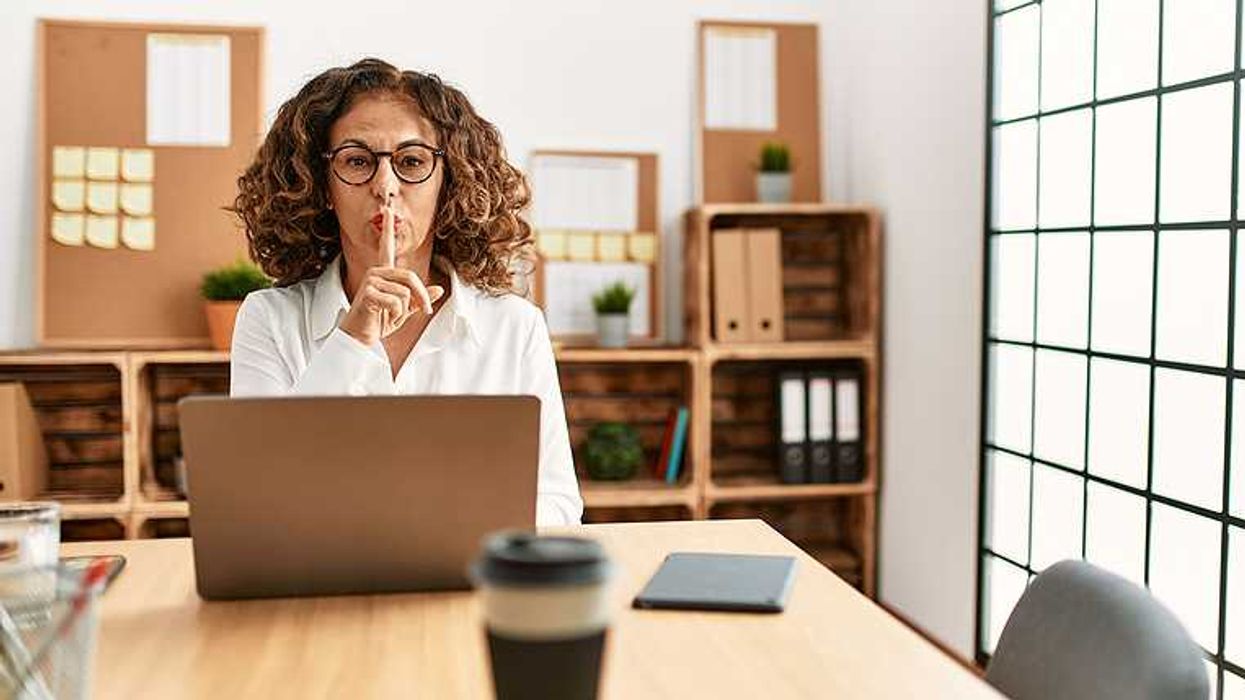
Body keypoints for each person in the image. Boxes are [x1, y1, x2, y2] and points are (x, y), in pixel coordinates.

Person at [228, 58, 582, 526]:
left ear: (448, 182)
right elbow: (257, 502)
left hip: (468, 584)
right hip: (323, 588)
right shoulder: (268, 319)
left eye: (412, 161)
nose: (386, 186)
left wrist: (449, 528)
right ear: (322, 186)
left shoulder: (514, 327)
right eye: (357, 161)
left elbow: (557, 504)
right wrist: (351, 340)